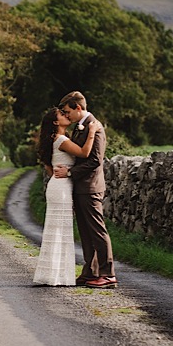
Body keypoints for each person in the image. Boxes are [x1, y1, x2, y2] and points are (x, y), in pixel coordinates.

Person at [33, 108, 98, 286]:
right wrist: (92, 132)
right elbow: (84, 153)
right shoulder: (61, 139)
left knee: (56, 229)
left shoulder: (53, 140)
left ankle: (52, 275)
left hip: (56, 184)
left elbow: (49, 167)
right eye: (62, 115)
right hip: (61, 187)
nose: (66, 116)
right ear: (56, 122)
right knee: (61, 230)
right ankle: (58, 276)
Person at [57, 91, 116, 289]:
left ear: (78, 108)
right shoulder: (81, 127)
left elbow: (94, 160)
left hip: (90, 187)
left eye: (67, 112)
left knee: (97, 231)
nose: (66, 116)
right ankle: (91, 271)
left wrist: (70, 173)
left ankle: (107, 274)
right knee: (85, 232)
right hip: (81, 187)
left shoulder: (95, 127)